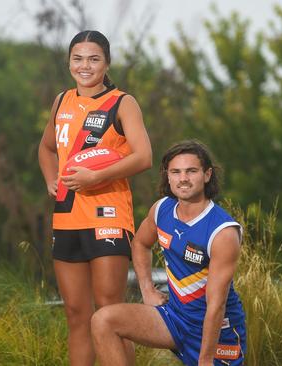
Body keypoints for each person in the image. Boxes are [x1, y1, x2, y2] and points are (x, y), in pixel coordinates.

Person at [38, 30, 152, 365]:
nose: (85, 66)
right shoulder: (61, 100)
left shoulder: (122, 102)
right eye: (78, 58)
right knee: (76, 314)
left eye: (93, 58)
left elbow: (144, 156)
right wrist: (50, 179)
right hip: (67, 216)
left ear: (107, 62)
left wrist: (96, 175)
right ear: (68, 61)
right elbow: (46, 147)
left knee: (110, 313)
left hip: (109, 217)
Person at [91, 140, 247, 366]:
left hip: (216, 332)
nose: (183, 178)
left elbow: (216, 306)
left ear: (207, 175)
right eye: (176, 172)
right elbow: (140, 244)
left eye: (191, 171)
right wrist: (147, 290)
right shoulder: (162, 209)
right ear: (168, 176)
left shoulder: (222, 232)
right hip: (174, 319)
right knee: (103, 320)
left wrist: (205, 360)